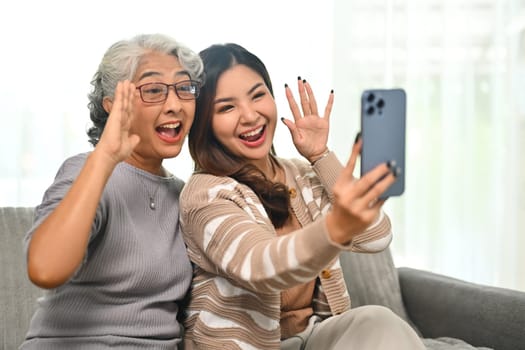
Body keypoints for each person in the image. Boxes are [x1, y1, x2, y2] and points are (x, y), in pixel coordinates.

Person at [179, 43, 425, 350]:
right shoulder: (204, 195)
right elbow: (262, 267)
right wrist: (334, 228)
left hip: (312, 338)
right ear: (205, 123)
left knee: (377, 321)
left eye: (258, 95)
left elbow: (376, 238)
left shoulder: (300, 174)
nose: (250, 115)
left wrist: (321, 156)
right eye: (227, 107)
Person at [20, 33, 203, 349]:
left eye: (184, 89)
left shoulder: (184, 195)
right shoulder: (86, 171)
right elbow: (45, 269)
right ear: (112, 105)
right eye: (154, 90)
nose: (174, 105)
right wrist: (104, 157)